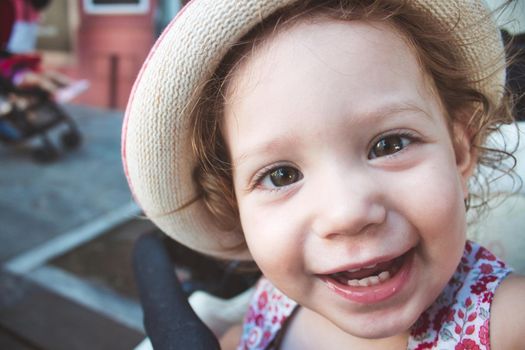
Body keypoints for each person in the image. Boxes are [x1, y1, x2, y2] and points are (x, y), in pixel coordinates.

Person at [122, 0, 525, 349]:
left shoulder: (506, 322)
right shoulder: (275, 300)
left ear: (459, 149)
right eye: (281, 175)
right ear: (237, 206)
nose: (346, 213)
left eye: (389, 145)